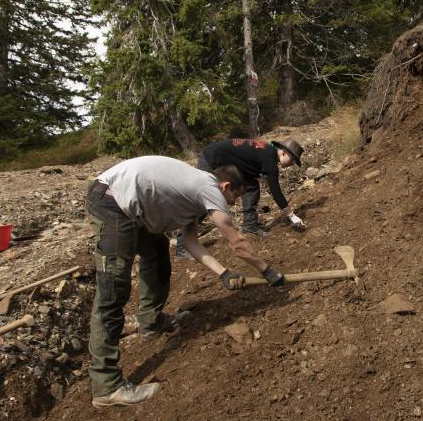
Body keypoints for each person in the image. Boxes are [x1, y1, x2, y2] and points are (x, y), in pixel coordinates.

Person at [86, 156, 285, 408]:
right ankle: (106, 387)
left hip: (130, 207)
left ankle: (150, 322)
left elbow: (191, 243)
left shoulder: (193, 196)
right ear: (225, 187)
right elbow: (235, 241)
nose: (231, 205)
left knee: (157, 255)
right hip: (111, 202)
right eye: (233, 198)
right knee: (112, 290)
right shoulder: (208, 187)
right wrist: (267, 270)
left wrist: (224, 273)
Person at [198, 137, 306, 235]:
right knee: (204, 199)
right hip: (211, 158)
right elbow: (276, 192)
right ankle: (182, 243)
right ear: (284, 152)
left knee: (251, 185)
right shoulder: (269, 160)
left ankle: (250, 225)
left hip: (218, 156)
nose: (292, 164)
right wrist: (292, 216)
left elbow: (247, 162)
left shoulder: (267, 151)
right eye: (292, 160)